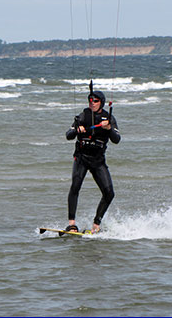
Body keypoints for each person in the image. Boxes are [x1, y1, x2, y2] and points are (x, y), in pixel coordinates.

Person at [65, 87, 121, 234]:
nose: (92, 102)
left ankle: (96, 224)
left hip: (98, 160)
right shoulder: (83, 115)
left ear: (101, 102)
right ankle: (71, 224)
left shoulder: (108, 118)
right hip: (81, 158)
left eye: (95, 100)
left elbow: (117, 139)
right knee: (75, 186)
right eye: (90, 100)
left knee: (109, 193)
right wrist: (78, 130)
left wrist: (108, 128)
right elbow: (68, 134)